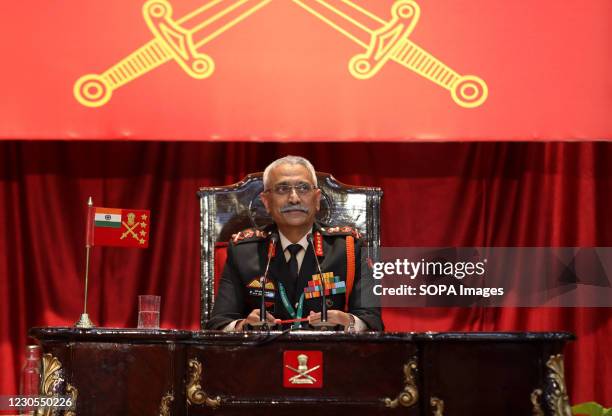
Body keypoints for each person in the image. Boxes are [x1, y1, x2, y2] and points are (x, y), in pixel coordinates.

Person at [206, 156, 383, 331]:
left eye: (303, 188)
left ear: (317, 199)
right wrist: (243, 325)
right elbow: (218, 323)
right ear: (266, 201)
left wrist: (348, 322)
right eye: (282, 189)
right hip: (264, 354)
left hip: (331, 354)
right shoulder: (243, 251)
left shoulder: (349, 248)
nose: (294, 198)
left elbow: (372, 321)